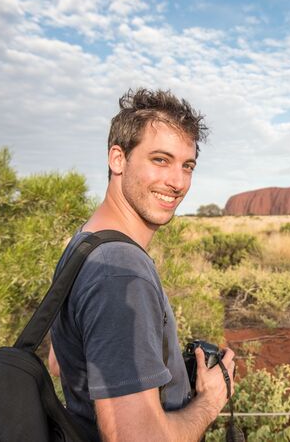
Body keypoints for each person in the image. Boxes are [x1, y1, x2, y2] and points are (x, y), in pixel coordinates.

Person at [48, 88, 236, 441]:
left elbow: (59, 363)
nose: (177, 182)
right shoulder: (118, 270)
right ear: (117, 159)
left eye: (187, 165)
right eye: (160, 160)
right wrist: (210, 401)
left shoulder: (86, 242)